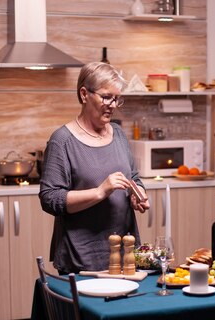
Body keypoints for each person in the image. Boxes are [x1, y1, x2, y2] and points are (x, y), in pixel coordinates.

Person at [39, 62, 150, 274]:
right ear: (84, 94)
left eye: (117, 99)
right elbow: (50, 198)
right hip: (82, 259)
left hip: (125, 256)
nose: (113, 105)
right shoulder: (62, 141)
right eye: (106, 97)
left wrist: (137, 193)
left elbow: (133, 176)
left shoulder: (117, 133)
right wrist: (100, 191)